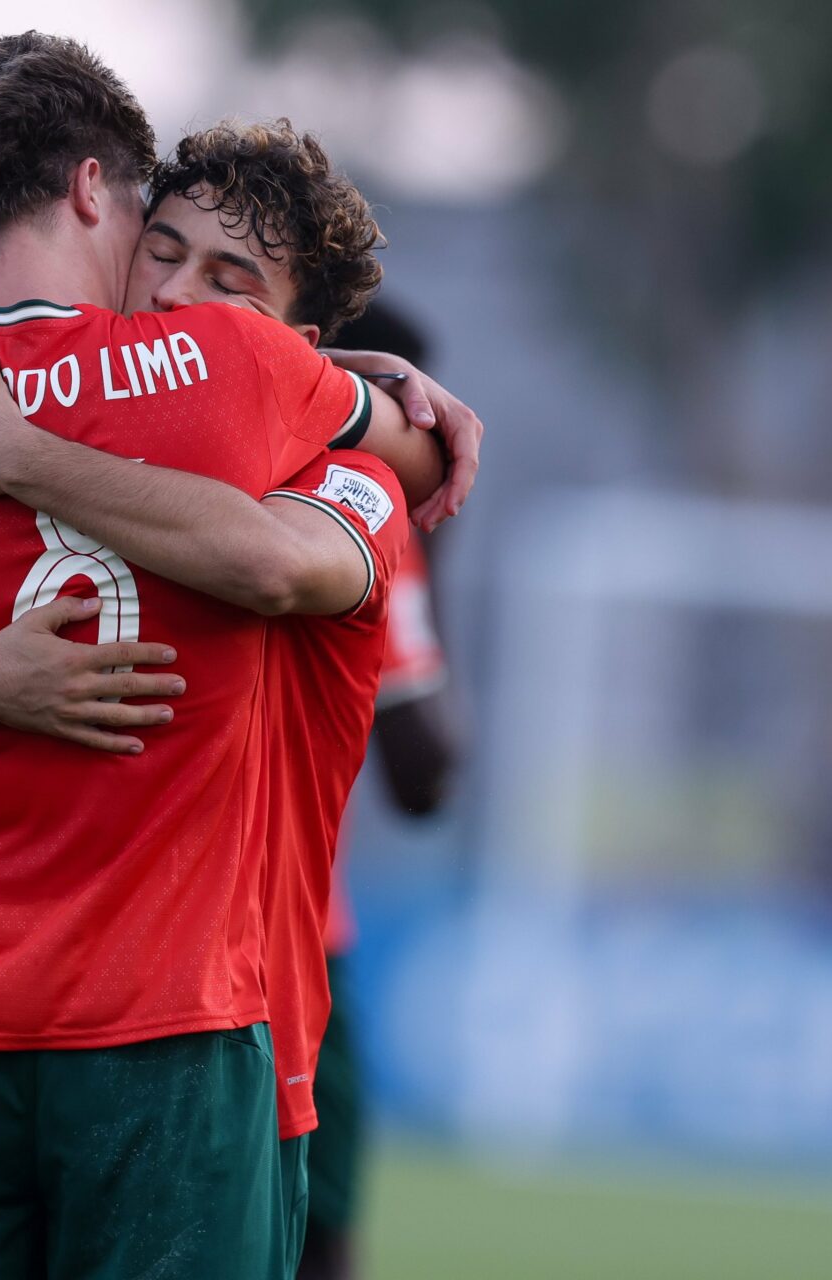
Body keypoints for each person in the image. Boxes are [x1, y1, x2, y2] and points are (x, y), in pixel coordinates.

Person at [0, 39, 470, 1274]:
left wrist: (14, 460)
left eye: (230, 278)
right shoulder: (245, 381)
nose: (183, 292)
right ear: (95, 189)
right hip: (175, 1020)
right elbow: (331, 508)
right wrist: (389, 393)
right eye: (166, 245)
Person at [295, 301, 462, 1280]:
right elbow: (422, 773)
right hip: (287, 951)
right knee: (311, 1246)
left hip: (109, 931)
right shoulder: (351, 507)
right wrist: (434, 572)